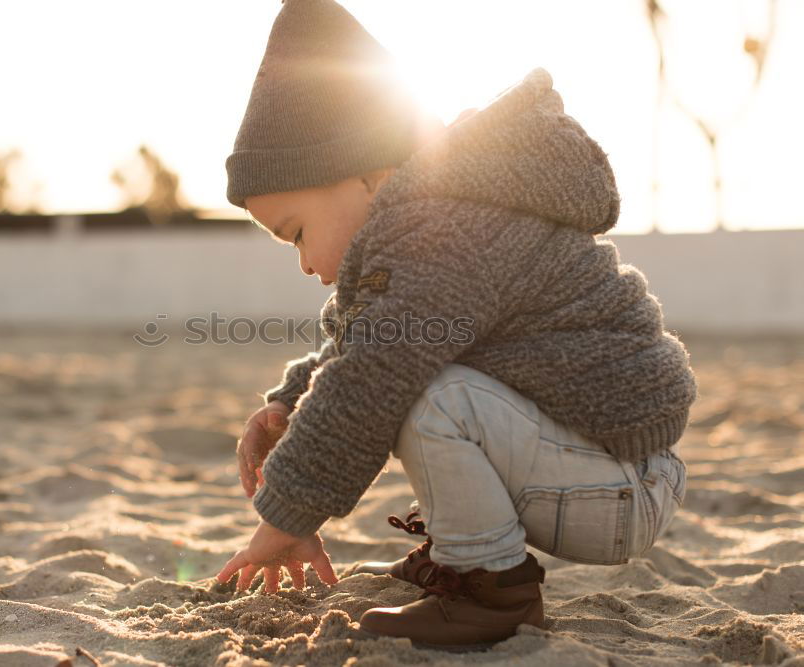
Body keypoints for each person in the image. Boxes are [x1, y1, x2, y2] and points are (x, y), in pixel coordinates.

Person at [215, 0, 698, 649]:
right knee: (422, 369)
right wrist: (287, 403)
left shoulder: (442, 231)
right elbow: (361, 338)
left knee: (421, 390)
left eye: (298, 233)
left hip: (616, 484)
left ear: (366, 173)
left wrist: (284, 518)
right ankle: (466, 555)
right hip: (598, 464)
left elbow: (368, 375)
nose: (304, 263)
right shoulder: (425, 226)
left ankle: (493, 589)